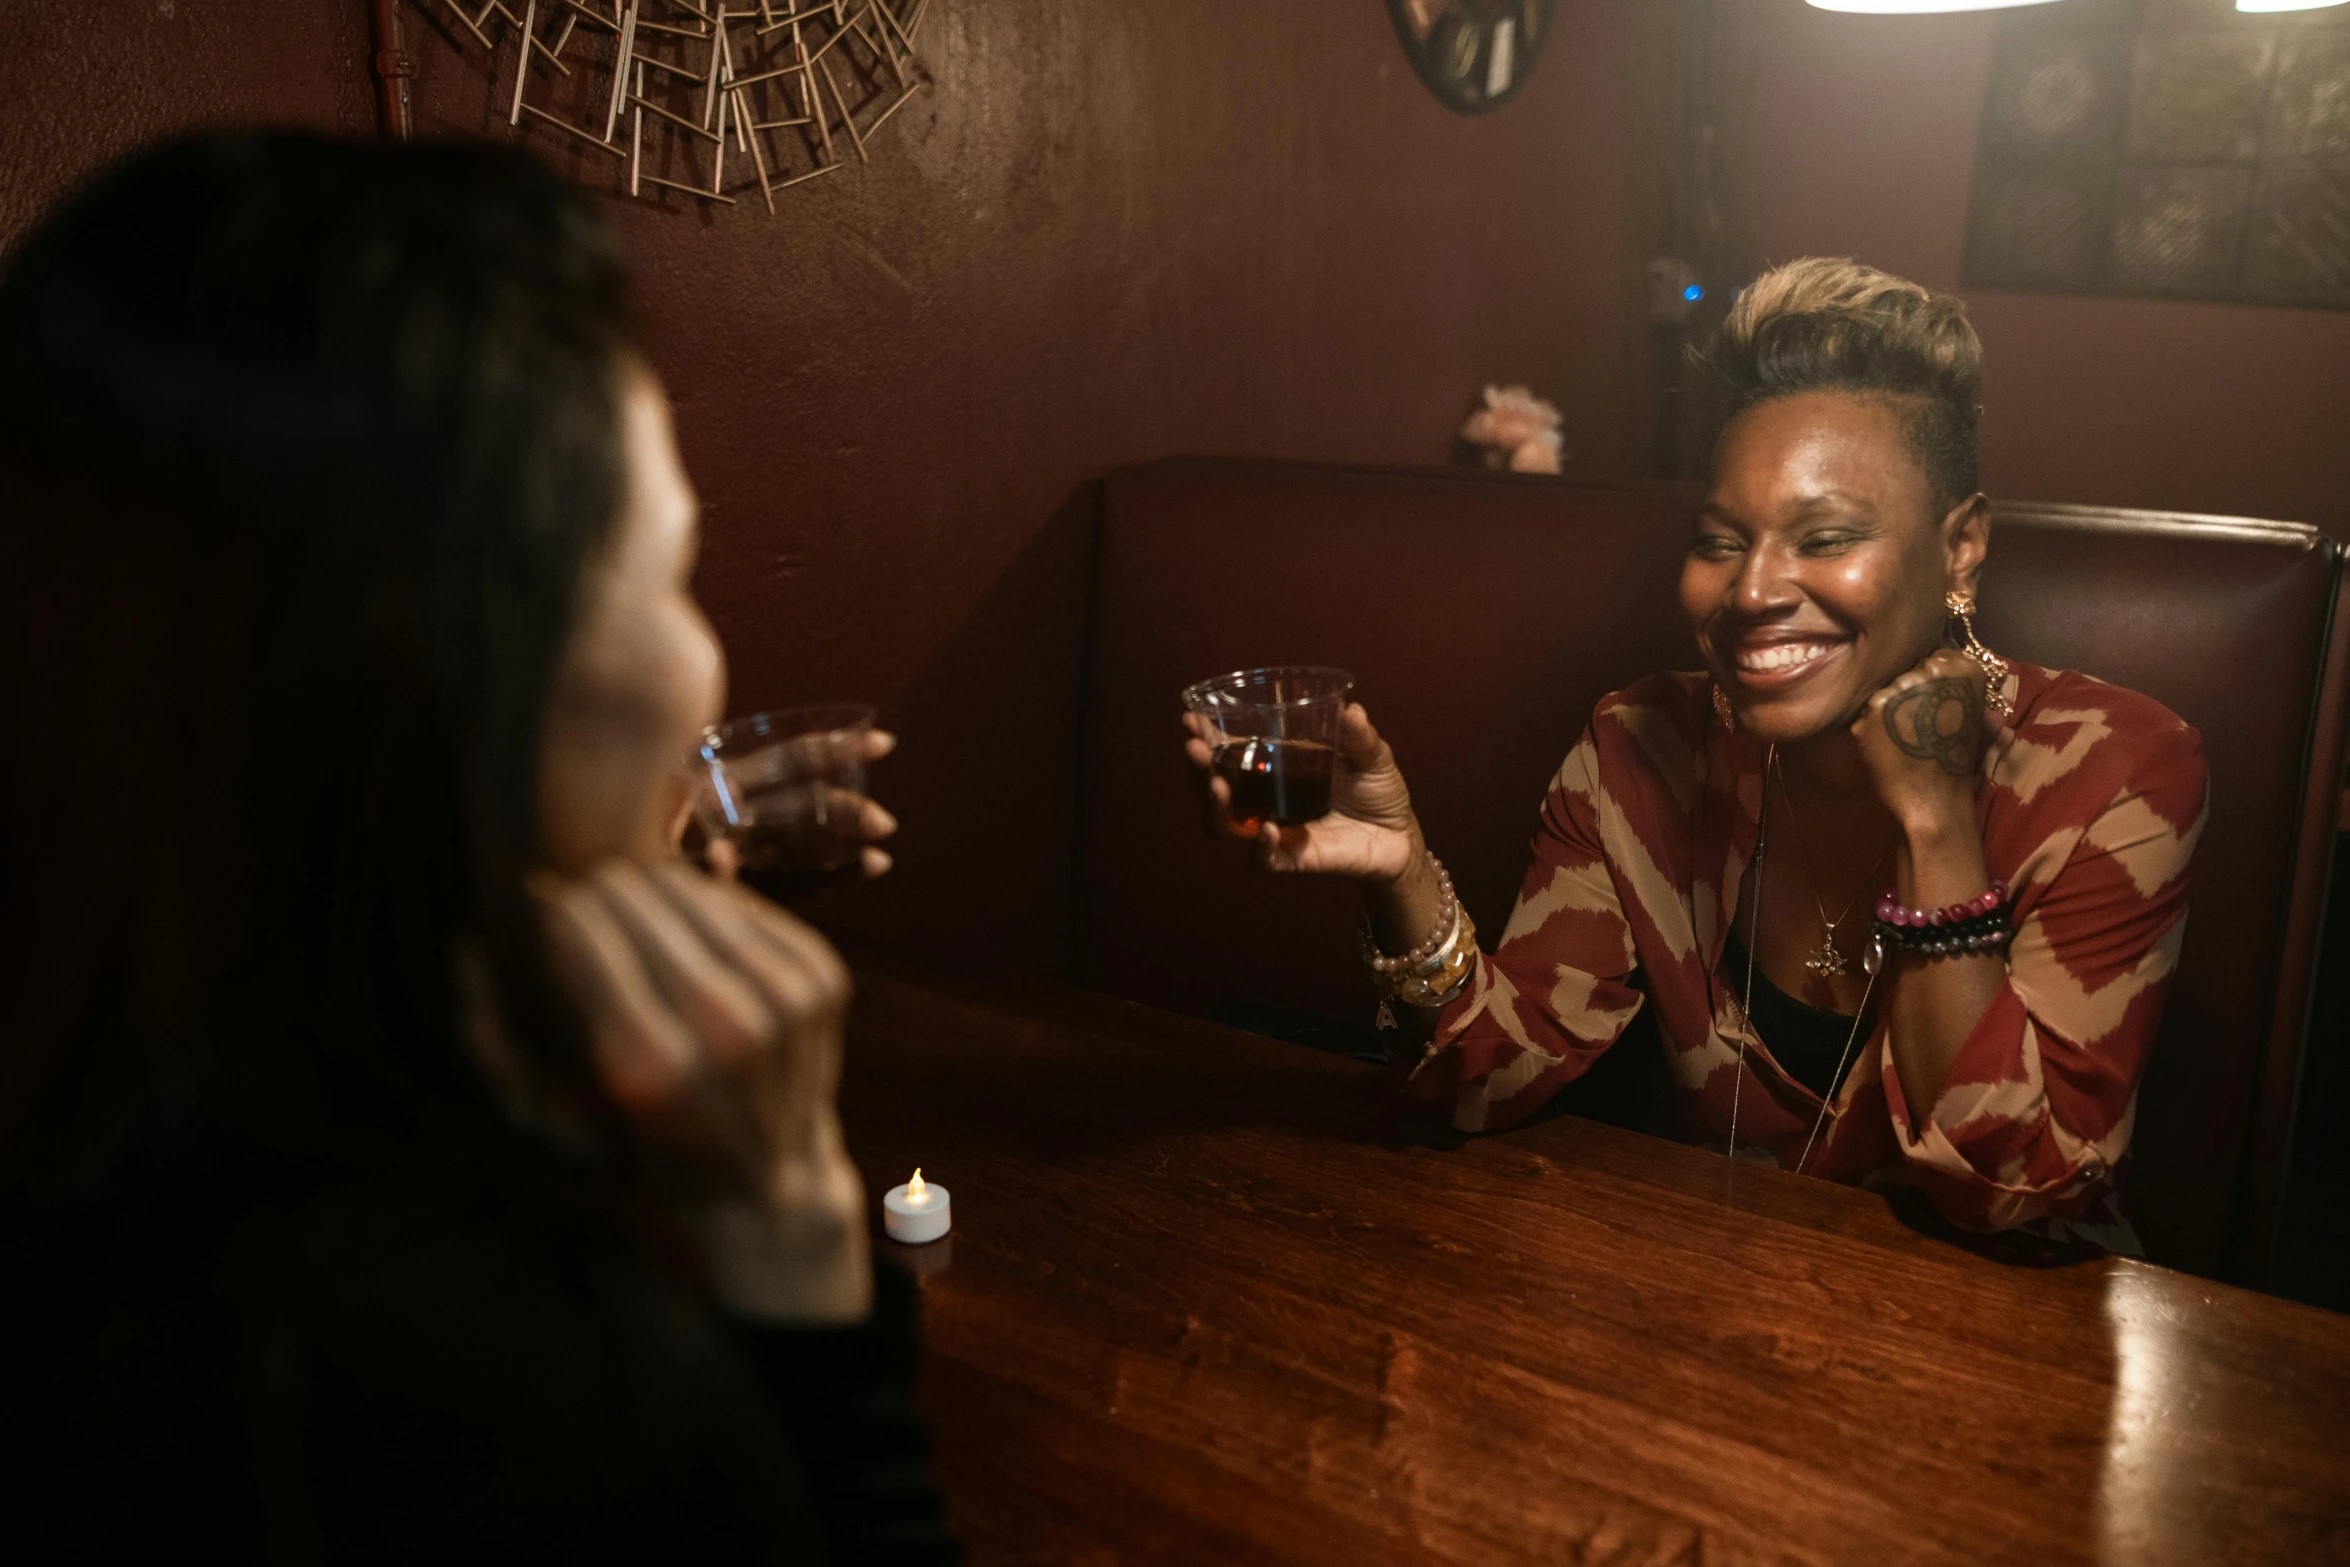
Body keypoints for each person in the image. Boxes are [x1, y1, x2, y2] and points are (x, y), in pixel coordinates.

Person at [0, 131, 953, 1561]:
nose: (710, 666)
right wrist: (793, 1224)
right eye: (674, 572)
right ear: (453, 684)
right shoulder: (507, 1394)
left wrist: (535, 881)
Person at [1187, 259, 2206, 1251]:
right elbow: (1489, 1078)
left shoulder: (2120, 774)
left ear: (1961, 548)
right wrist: (1398, 871)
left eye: (1827, 534)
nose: (1753, 589)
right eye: (1720, 540)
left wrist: (1934, 817)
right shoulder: (1642, 747)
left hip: (2017, 1356)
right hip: (1723, 1320)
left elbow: (2012, 1186)